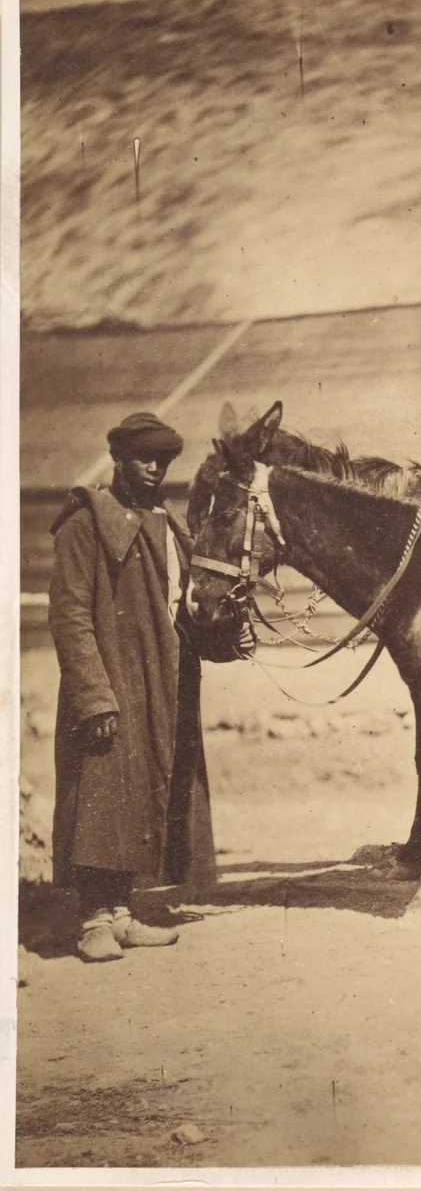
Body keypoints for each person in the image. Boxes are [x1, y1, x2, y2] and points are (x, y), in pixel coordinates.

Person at [49, 412, 217, 962]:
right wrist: (94, 694)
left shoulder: (167, 526)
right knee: (100, 792)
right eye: (144, 457)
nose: (154, 467)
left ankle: (121, 913)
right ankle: (93, 921)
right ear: (119, 459)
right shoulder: (84, 524)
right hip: (111, 678)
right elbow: (70, 614)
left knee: (139, 794)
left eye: (163, 459)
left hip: (160, 682)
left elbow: (185, 605)